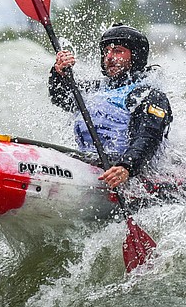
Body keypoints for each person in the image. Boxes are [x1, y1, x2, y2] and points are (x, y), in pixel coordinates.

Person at [48, 23, 173, 188]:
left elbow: (148, 137)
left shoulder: (148, 95)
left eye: (118, 51)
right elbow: (61, 97)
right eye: (106, 51)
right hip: (93, 165)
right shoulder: (96, 89)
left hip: (128, 173)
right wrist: (59, 73)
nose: (109, 57)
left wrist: (126, 166)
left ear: (136, 55)